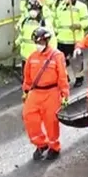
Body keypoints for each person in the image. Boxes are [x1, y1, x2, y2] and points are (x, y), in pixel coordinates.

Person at [22, 28, 70, 161]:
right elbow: (27, 77)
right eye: (37, 42)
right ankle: (41, 144)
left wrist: (64, 94)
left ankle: (54, 147)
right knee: (29, 117)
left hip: (52, 92)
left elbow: (62, 77)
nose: (39, 44)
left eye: (41, 41)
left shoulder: (56, 56)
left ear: (47, 41)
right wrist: (26, 91)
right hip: (36, 92)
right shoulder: (32, 57)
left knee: (51, 122)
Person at [53, 0, 88, 87]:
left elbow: (87, 20)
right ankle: (66, 76)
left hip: (75, 39)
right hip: (61, 39)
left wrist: (79, 25)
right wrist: (55, 30)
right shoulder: (60, 7)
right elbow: (56, 20)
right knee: (61, 60)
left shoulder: (81, 7)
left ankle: (79, 78)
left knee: (77, 60)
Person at [15, 0, 53, 68]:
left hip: (38, 57)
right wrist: (17, 43)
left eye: (35, 9)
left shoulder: (44, 23)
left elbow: (51, 40)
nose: (32, 11)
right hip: (25, 57)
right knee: (26, 77)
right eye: (31, 9)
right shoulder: (25, 21)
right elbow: (22, 35)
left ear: (39, 9)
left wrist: (50, 55)